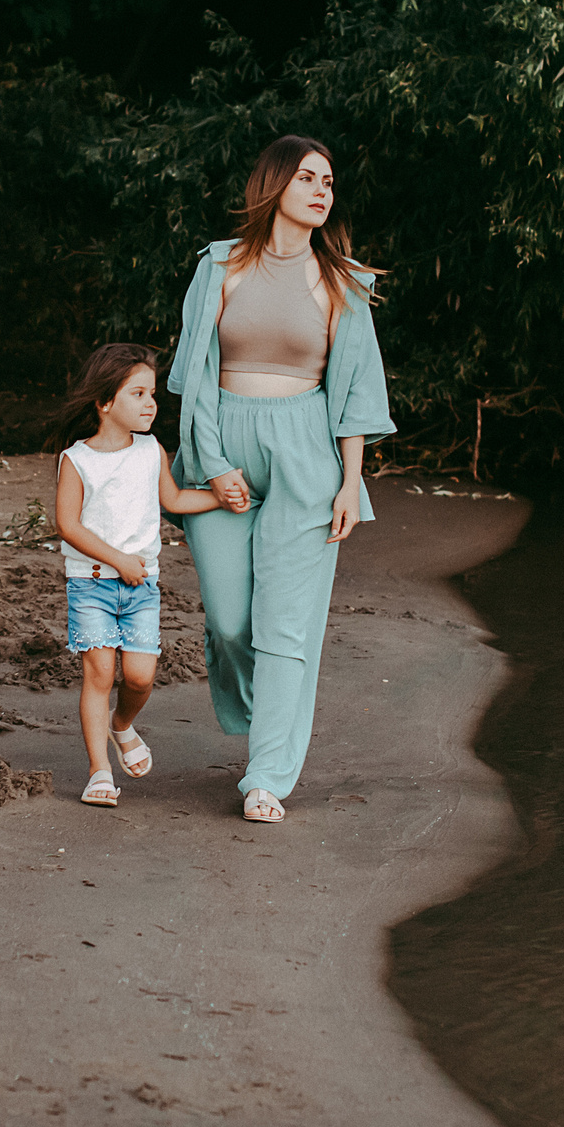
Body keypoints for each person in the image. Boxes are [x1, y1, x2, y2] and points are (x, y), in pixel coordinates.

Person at [169, 136, 393, 824]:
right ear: (274, 185)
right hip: (223, 448)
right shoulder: (221, 265)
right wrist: (213, 462)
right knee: (234, 623)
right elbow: (193, 376)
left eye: (329, 179)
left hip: (305, 455)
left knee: (285, 627)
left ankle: (266, 775)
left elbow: (354, 390)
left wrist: (350, 481)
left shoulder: (344, 281)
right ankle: (258, 714)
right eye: (307, 177)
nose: (323, 189)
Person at [47, 343, 223, 807]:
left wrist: (222, 498)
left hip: (141, 588)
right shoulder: (77, 459)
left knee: (141, 677)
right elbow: (68, 524)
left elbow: (176, 501)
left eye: (152, 395)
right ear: (105, 402)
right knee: (100, 672)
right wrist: (118, 559)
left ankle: (121, 724)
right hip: (91, 585)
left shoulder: (150, 451)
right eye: (138, 394)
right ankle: (99, 771)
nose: (151, 404)